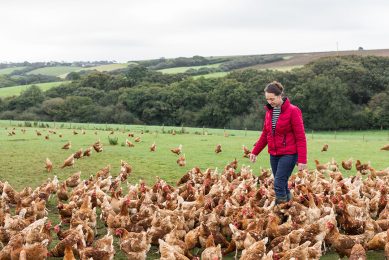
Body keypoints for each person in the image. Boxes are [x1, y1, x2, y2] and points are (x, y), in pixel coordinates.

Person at [250, 81, 307, 204]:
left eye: (272, 99)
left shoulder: (293, 111)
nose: (270, 102)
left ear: (280, 95)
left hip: (289, 154)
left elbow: (301, 137)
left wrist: (302, 159)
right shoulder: (269, 112)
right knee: (282, 183)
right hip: (274, 154)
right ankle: (290, 207)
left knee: (278, 183)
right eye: (267, 99)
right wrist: (255, 152)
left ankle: (280, 210)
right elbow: (266, 134)